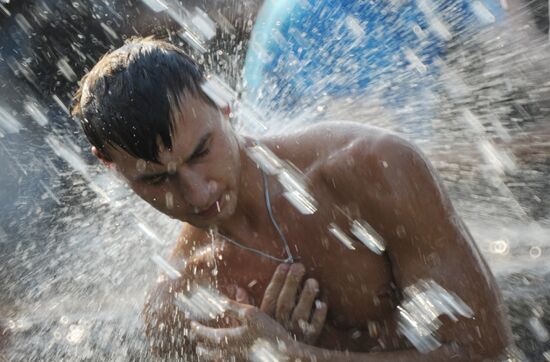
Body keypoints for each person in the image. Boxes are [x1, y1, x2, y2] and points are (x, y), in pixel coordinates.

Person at [71, 37, 512, 361]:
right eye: (157, 180)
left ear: (224, 102)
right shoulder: (182, 300)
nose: (197, 192)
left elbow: (485, 350)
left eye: (202, 152)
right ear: (110, 166)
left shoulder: (370, 169)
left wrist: (296, 356)